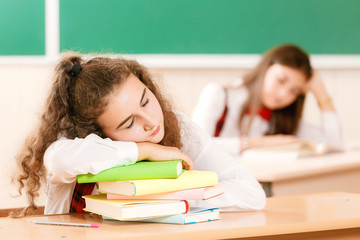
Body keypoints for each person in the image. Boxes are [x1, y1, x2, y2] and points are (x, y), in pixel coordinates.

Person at [15, 53, 266, 215]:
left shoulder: (178, 125)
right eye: (128, 123)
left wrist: (176, 199)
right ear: (98, 132)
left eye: (146, 101)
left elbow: (252, 194)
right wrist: (145, 150)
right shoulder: (74, 144)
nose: (151, 122)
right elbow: (59, 160)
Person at [192, 44, 343, 155]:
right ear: (265, 69)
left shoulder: (284, 117)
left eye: (294, 91)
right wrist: (256, 143)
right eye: (281, 80)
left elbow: (334, 144)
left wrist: (321, 94)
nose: (284, 94)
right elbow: (195, 146)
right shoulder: (219, 95)